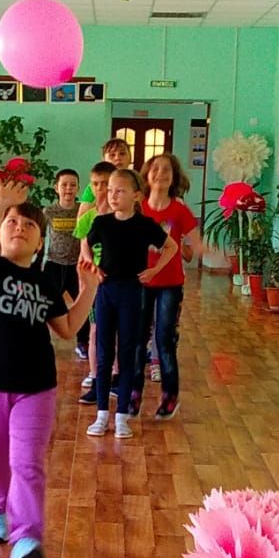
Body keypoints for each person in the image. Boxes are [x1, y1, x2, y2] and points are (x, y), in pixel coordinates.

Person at [0, 179, 98, 558]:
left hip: (36, 388)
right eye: (11, 223)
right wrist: (1, 202)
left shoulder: (46, 281)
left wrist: (87, 289)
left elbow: (68, 327)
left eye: (29, 226)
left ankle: (27, 538)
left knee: (27, 462)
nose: (19, 228)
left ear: (40, 243)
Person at [82, 168, 177, 440]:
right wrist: (93, 267)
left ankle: (122, 415)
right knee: (103, 353)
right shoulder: (101, 223)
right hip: (106, 290)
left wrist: (155, 270)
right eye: (110, 191)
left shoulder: (145, 225)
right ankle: (101, 414)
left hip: (132, 293)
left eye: (120, 191)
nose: (113, 196)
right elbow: (85, 246)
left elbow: (171, 247)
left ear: (136, 195)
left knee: (127, 353)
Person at [137, 153, 205, 421]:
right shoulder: (138, 207)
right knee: (137, 338)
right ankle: (133, 395)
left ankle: (169, 396)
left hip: (170, 284)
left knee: (164, 340)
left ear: (174, 177)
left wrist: (205, 249)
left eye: (167, 170)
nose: (161, 173)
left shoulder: (179, 210)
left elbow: (194, 242)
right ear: (146, 175)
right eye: (155, 169)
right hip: (140, 281)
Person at [76, 161, 115, 403]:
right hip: (96, 283)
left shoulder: (125, 217)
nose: (100, 189)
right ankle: (96, 376)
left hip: (120, 283)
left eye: (105, 184)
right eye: (96, 184)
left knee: (119, 334)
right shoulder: (88, 218)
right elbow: (83, 249)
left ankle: (117, 377)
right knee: (95, 331)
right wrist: (88, 275)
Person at [43, 168, 82, 352]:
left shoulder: (83, 209)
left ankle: (83, 342)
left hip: (77, 266)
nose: (68, 189)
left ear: (78, 188)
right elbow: (40, 238)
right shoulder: (49, 211)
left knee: (83, 305)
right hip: (53, 265)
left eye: (73, 185)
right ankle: (40, 341)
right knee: (45, 304)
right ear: (56, 188)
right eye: (64, 185)